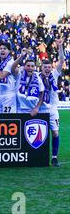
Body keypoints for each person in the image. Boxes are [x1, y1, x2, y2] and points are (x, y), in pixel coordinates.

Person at [39, 38, 65, 167]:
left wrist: (59, 46)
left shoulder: (54, 75)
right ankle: (38, 158)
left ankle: (54, 157)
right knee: (40, 135)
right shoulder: (36, 77)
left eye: (49, 67)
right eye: (45, 67)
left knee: (55, 133)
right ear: (41, 68)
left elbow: (61, 60)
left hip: (52, 110)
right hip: (39, 109)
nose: (47, 69)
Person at [11, 49, 44, 115]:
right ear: (24, 66)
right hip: (19, 110)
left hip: (33, 111)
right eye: (28, 66)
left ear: (34, 68)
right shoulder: (19, 74)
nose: (30, 68)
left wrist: (37, 108)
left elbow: (42, 93)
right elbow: (13, 68)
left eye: (32, 66)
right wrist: (21, 56)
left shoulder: (38, 77)